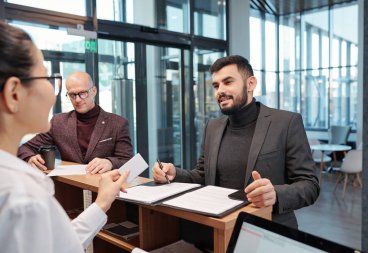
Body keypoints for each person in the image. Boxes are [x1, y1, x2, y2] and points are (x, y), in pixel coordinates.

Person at [0, 20, 130, 252]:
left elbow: (58, 243)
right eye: (47, 79)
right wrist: (102, 204)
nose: (54, 92)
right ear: (14, 93)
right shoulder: (22, 198)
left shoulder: (116, 122)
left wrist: (102, 198)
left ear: (93, 91)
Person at [153, 55, 320, 229]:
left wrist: (276, 194)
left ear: (251, 84)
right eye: (216, 85)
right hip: (218, 230)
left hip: (267, 230)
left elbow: (310, 185)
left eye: (228, 82)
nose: (219, 91)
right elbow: (203, 176)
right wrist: (174, 173)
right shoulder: (212, 127)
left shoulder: (286, 123)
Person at [18, 70, 133, 174]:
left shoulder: (117, 124)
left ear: (94, 91)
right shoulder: (58, 122)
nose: (77, 100)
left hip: (104, 187)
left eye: (83, 93)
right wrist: (29, 157)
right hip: (70, 188)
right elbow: (23, 148)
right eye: (72, 95)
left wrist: (110, 162)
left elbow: (128, 162)